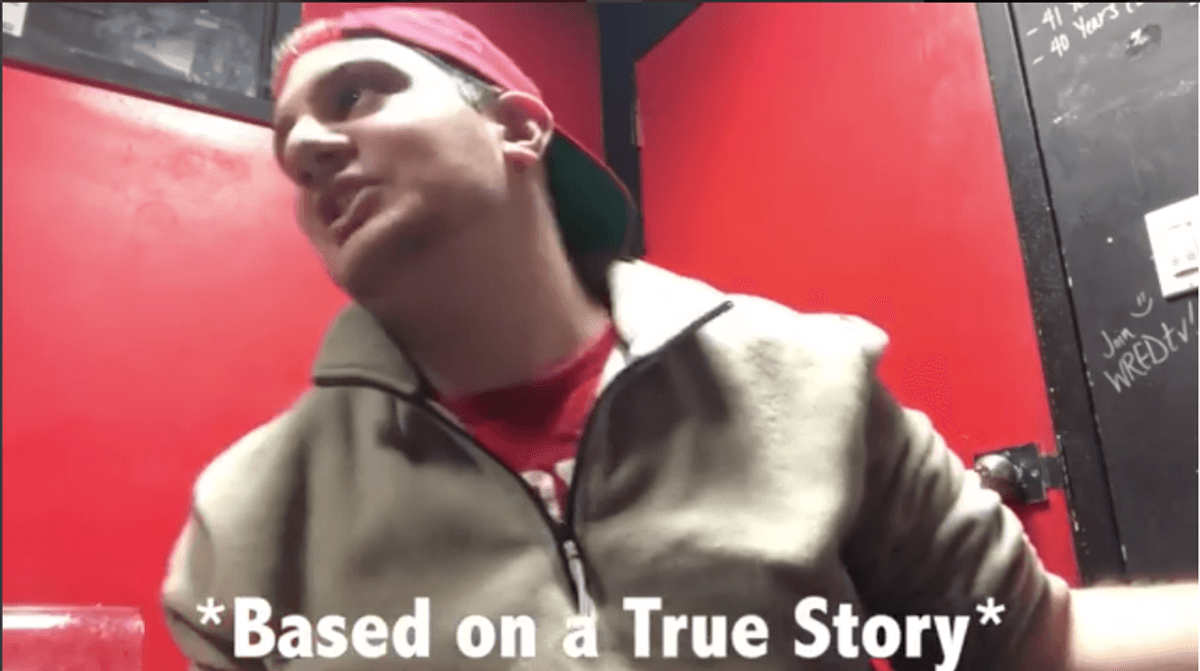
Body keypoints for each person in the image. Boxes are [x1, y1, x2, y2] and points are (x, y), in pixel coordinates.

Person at [161, 7, 1198, 670]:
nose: (305, 145)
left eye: (356, 94)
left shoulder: (806, 379)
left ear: (518, 127)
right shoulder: (250, 521)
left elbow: (1037, 641)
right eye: (287, 141)